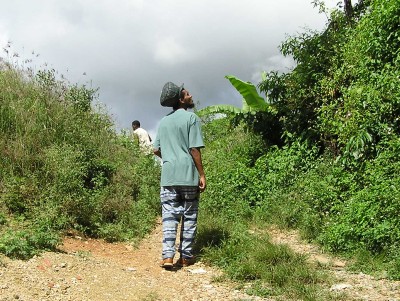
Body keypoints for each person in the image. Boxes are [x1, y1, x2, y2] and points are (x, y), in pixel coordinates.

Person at [153, 83, 206, 269]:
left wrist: (169, 158)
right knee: (189, 216)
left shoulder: (164, 121)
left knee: (169, 216)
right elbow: (194, 149)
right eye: (187, 94)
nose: (191, 96)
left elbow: (156, 149)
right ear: (180, 100)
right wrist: (201, 173)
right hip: (188, 175)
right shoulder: (191, 118)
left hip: (168, 176)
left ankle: (167, 256)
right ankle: (186, 257)